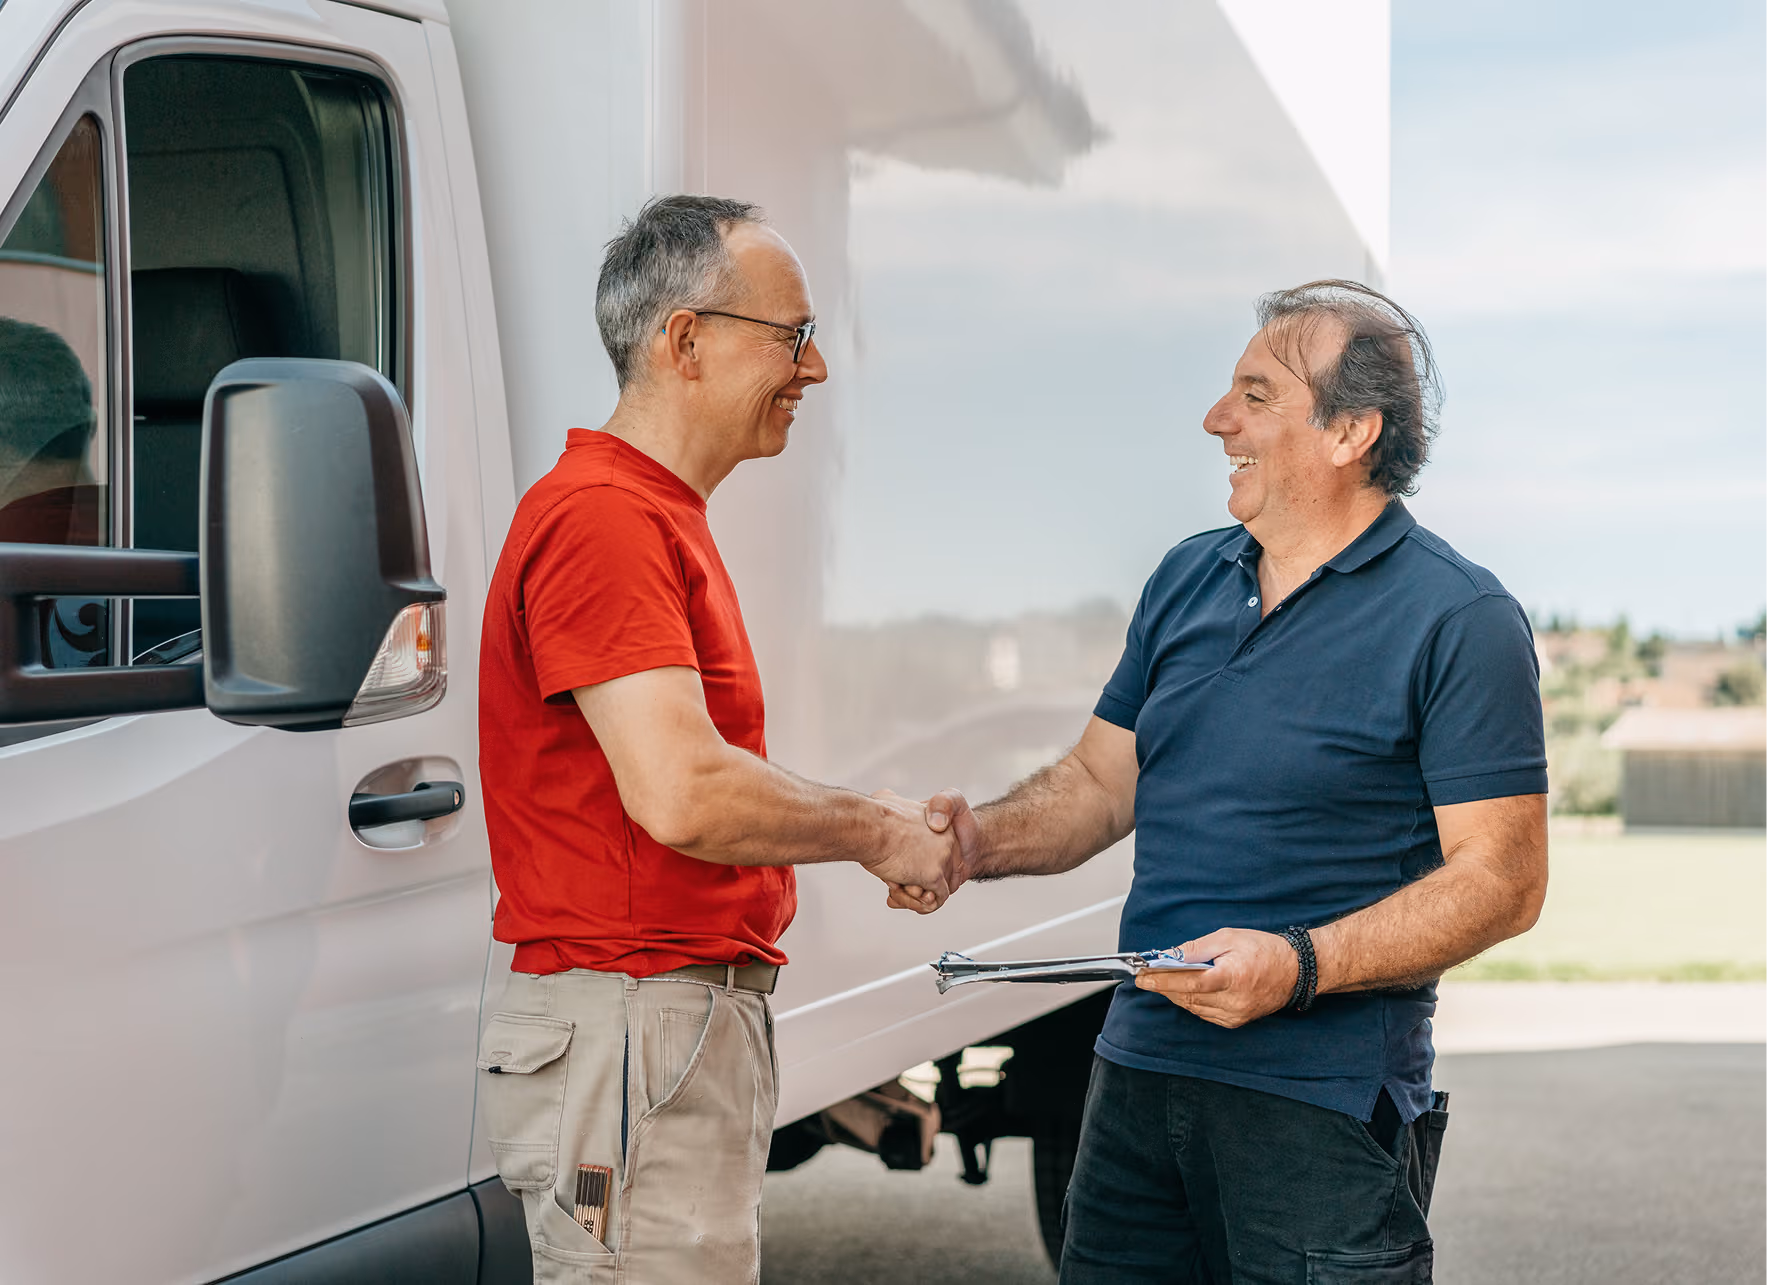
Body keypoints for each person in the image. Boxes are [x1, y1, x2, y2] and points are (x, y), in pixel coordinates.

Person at [894, 281, 1548, 1284]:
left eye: (1254, 394)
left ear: (1350, 432)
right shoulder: (1186, 580)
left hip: (1318, 1113)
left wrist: (1299, 963)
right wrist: (976, 841)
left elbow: (1503, 879)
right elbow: (1099, 784)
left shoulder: (1459, 619)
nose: (1216, 419)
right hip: (1137, 1080)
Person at [476, 195, 957, 1285]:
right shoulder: (605, 519)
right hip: (635, 1024)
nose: (816, 369)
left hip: (652, 1031)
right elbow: (684, 791)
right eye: (792, 337)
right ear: (685, 340)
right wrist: (876, 829)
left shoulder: (649, 514)